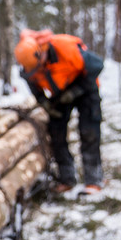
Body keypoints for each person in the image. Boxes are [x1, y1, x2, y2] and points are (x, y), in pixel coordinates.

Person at [15, 29, 105, 195]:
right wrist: (47, 105)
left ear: (41, 52)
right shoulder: (30, 67)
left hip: (85, 85)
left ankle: (94, 179)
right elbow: (37, 92)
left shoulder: (64, 47)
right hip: (60, 92)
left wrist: (75, 91)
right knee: (56, 130)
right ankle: (67, 177)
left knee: (89, 130)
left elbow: (97, 65)